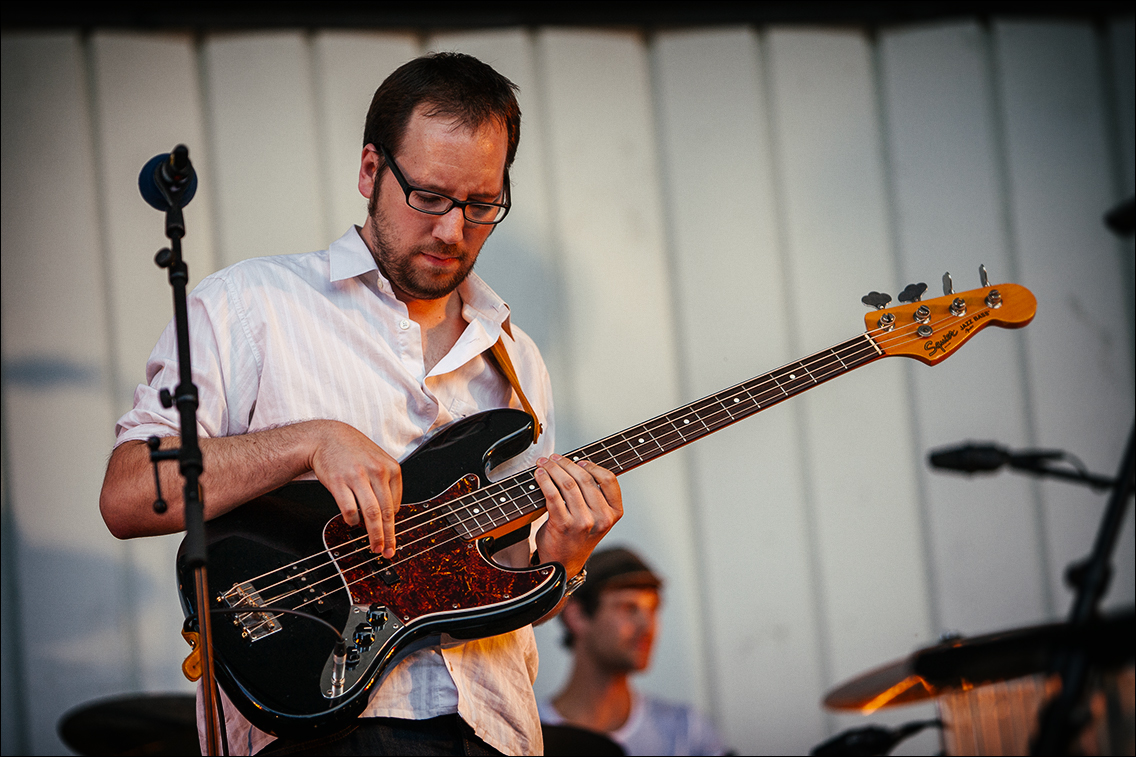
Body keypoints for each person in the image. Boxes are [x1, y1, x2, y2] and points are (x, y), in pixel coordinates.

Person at [99, 52, 623, 756]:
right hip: (318, 725)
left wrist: (565, 551)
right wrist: (307, 441)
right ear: (371, 172)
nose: (451, 230)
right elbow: (130, 491)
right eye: (430, 197)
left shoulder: (516, 359)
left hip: (493, 731)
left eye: (481, 206)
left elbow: (501, 585)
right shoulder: (252, 305)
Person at [539, 547, 727, 756]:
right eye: (628, 608)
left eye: (653, 609)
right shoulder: (526, 735)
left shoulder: (687, 732)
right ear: (577, 617)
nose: (647, 626)